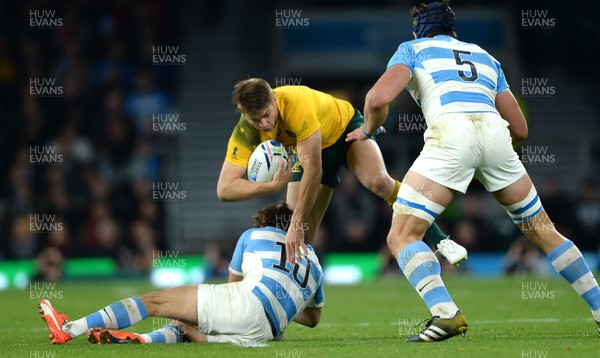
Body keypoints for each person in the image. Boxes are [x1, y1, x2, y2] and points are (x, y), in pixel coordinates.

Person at [347, 0, 600, 342]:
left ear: (417, 29)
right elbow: (521, 129)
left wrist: (369, 130)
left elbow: (377, 99)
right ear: (453, 29)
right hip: (496, 133)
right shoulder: (485, 56)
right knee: (543, 230)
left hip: (452, 135)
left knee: (403, 235)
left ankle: (446, 315)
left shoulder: (412, 49)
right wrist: (488, 149)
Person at [217, 78, 466, 265]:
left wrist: (296, 223)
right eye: (255, 120)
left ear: (274, 98)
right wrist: (271, 187)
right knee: (296, 238)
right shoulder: (246, 130)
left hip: (345, 130)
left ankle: (441, 239)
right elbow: (225, 189)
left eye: (267, 115)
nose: (264, 124)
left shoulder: (295, 104)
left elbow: (314, 171)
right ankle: (299, 306)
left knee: (379, 181)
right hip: (308, 152)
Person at [39, 202, 323, 345]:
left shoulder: (254, 235)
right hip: (267, 334)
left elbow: (233, 284)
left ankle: (70, 328)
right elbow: (312, 319)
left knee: (155, 302)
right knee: (187, 324)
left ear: (267, 225)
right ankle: (145, 340)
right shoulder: (315, 263)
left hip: (244, 306)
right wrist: (283, 302)